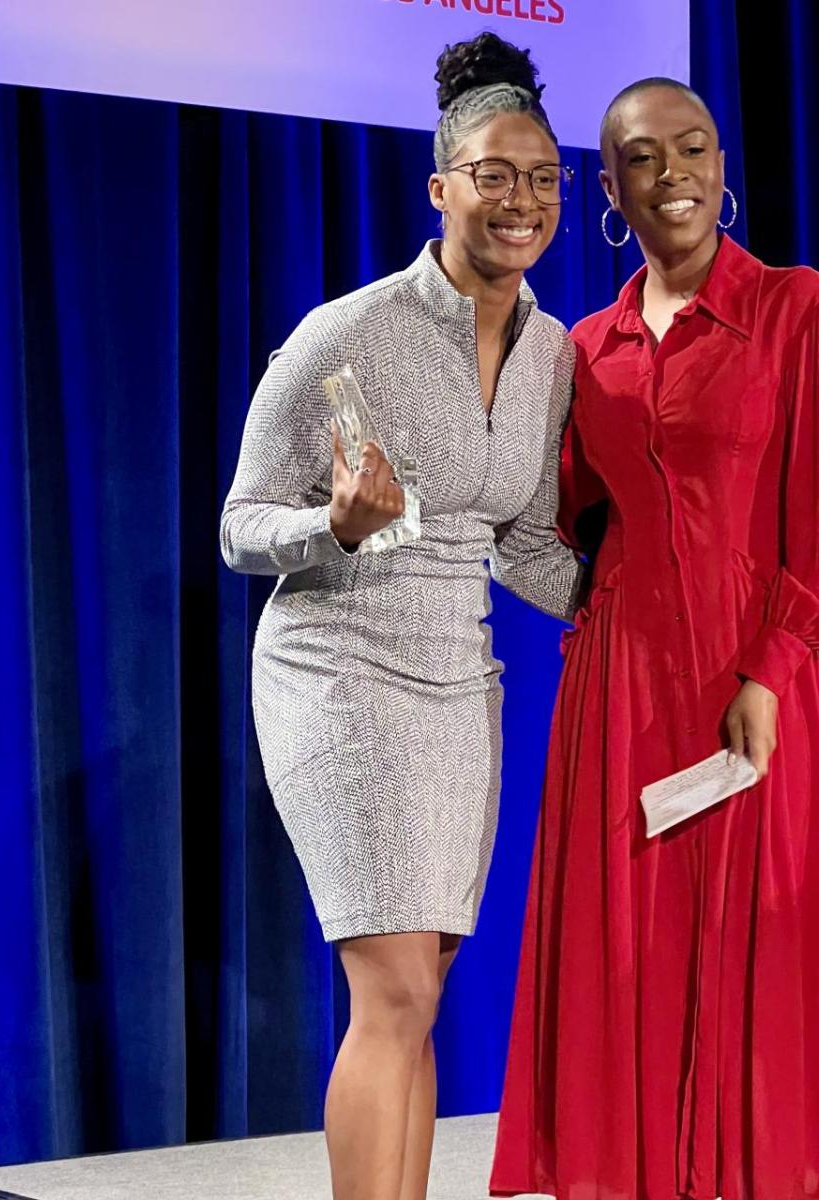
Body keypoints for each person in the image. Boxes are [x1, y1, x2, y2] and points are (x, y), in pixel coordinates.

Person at [491, 77, 819, 1200]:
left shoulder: (802, 313)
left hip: (761, 677)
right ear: (607, 188)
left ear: (723, 163)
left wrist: (771, 666)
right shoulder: (590, 345)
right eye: (643, 159)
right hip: (621, 689)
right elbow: (557, 512)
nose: (673, 176)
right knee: (635, 958)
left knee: (762, 954)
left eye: (693, 149)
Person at [220, 32, 581, 1200]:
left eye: (539, 179)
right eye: (493, 174)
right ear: (442, 187)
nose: (518, 200)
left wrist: (637, 612)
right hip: (339, 669)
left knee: (420, 990)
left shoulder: (554, 355)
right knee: (397, 993)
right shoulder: (349, 332)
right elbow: (239, 525)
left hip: (458, 684)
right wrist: (333, 527)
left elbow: (521, 541)